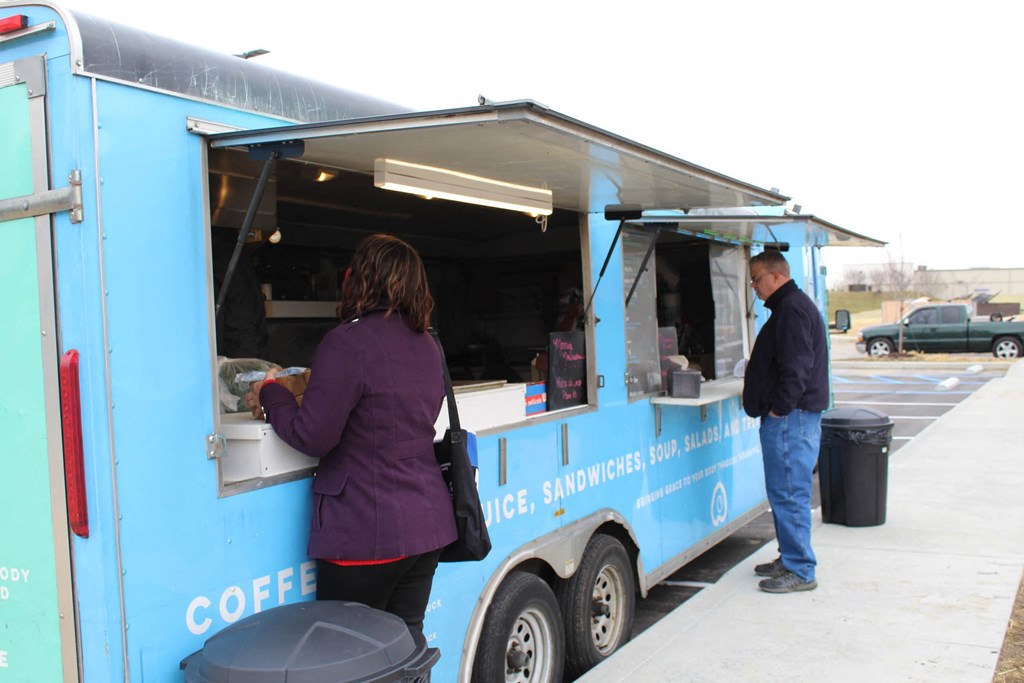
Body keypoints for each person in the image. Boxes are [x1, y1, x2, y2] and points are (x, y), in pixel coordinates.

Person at [248, 234, 457, 636]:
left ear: (358, 279)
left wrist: (271, 392)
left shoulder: (348, 342)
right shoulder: (429, 344)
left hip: (366, 531)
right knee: (405, 643)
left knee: (346, 655)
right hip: (427, 525)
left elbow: (313, 436)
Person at [742, 250, 828, 593]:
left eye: (757, 279)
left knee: (790, 493)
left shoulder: (791, 309)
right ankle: (789, 556)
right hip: (792, 418)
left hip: (791, 419)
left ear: (776, 276)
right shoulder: (789, 307)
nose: (754, 287)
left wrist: (780, 409)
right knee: (783, 492)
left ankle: (801, 570)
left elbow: (797, 367)